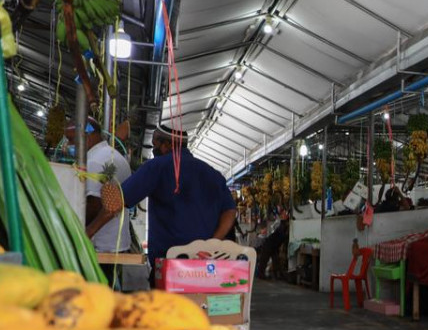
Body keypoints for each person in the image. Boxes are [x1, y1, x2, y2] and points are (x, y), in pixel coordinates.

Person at [117, 125, 237, 275]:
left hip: (169, 266)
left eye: (155, 144)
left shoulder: (157, 166)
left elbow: (119, 199)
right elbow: (230, 210)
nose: (154, 149)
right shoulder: (212, 173)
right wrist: (212, 243)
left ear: (167, 145)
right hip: (206, 266)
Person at [77, 120, 133, 281]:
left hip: (98, 244)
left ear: (86, 137)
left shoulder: (94, 161)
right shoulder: (116, 156)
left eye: (72, 139)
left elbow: (95, 204)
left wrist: (79, 230)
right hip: (116, 242)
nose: (69, 145)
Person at [255, 208, 289, 280]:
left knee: (275, 261)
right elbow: (281, 236)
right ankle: (262, 275)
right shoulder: (281, 228)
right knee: (265, 260)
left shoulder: (282, 227)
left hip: (273, 246)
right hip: (270, 244)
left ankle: (276, 275)